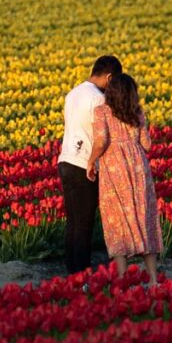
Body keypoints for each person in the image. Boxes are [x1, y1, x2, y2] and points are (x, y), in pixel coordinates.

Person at [86, 73, 163, 287]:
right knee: (144, 217)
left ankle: (122, 280)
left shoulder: (101, 112)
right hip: (139, 167)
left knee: (116, 220)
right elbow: (146, 144)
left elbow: (101, 142)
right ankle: (153, 280)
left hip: (114, 168)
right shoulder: (137, 112)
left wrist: (91, 162)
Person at [56, 55, 122, 274]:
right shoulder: (98, 99)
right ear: (110, 77)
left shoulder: (73, 93)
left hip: (66, 159)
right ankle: (82, 274)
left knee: (73, 222)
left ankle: (71, 273)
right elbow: (102, 137)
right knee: (84, 224)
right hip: (85, 164)